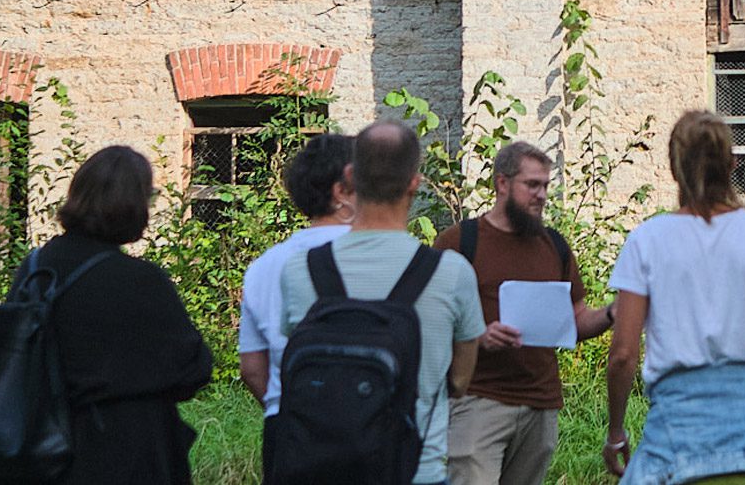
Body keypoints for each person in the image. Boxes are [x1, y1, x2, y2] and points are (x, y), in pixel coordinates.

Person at [603, 109, 745, 485]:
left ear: (674, 169)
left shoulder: (646, 240)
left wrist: (616, 432)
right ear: (732, 164)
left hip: (676, 433)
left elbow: (623, 355)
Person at [277, 119, 484, 485]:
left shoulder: (300, 270)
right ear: (414, 183)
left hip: (320, 471)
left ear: (350, 179)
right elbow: (461, 381)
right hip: (417, 470)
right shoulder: (452, 274)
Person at [0, 145, 212, 485]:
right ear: (133, 205)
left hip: (36, 454)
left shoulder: (35, 269)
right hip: (126, 453)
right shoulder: (142, 281)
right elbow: (193, 370)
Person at [433, 140, 612, 485]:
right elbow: (428, 318)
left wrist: (615, 312)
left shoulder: (554, 245)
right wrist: (478, 337)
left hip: (541, 405)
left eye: (545, 185)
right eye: (532, 185)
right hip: (477, 402)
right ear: (502, 183)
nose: (542, 195)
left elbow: (576, 320)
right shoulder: (459, 242)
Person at [238, 132, 355, 416]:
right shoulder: (373, 254)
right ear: (343, 191)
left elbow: (252, 369)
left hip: (290, 422)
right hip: (365, 417)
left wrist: (281, 408)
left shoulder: (263, 265)